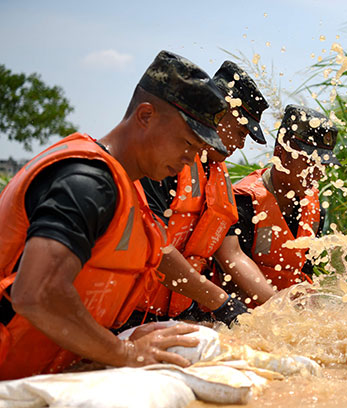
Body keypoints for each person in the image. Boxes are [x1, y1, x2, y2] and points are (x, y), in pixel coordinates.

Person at [0, 50, 237, 380]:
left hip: (42, 375)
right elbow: (37, 294)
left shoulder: (130, 192)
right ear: (145, 116)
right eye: (186, 142)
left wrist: (110, 341)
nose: (189, 159)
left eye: (197, 150)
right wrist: (122, 352)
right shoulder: (85, 183)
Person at [133, 60, 273, 324]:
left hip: (182, 313)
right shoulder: (164, 163)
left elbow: (232, 254)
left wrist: (278, 306)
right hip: (133, 315)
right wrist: (222, 302)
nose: (241, 144)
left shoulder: (218, 175)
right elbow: (156, 247)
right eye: (241, 131)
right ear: (218, 111)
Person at [212, 104, 339, 306]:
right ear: (281, 154)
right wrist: (279, 307)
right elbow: (228, 274)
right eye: (311, 163)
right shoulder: (243, 202)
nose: (318, 174)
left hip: (287, 318)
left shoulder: (315, 210)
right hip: (243, 317)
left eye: (322, 165)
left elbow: (305, 271)